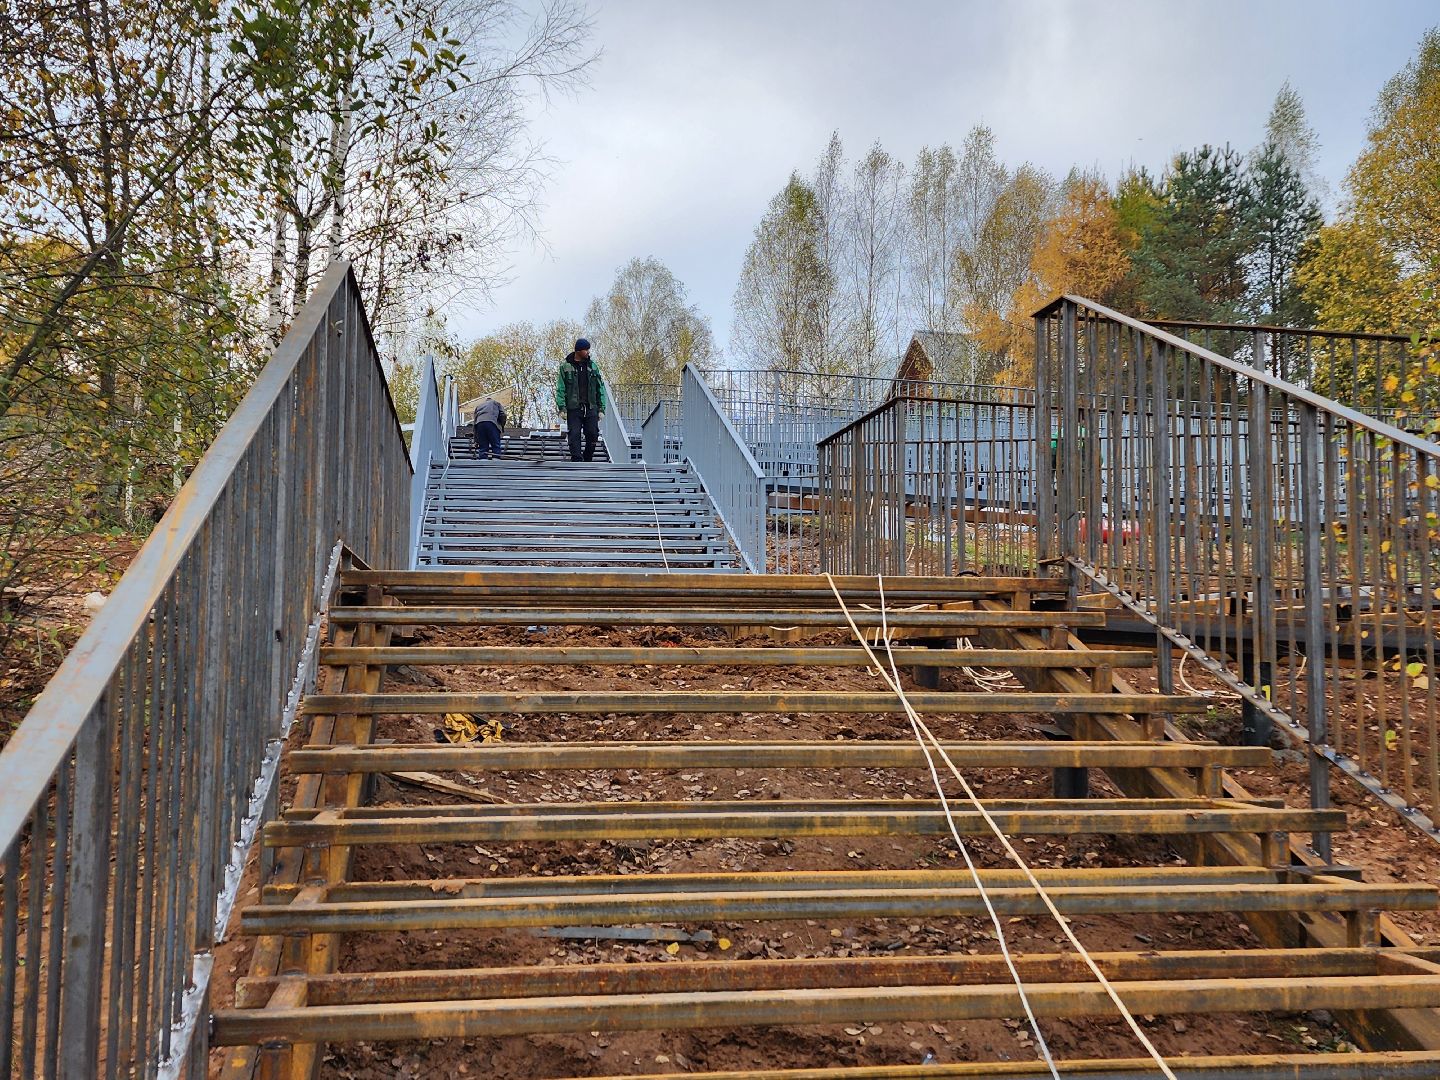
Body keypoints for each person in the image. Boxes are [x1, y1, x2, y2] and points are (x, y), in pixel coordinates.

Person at [554, 337, 607, 462]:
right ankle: (577, 459)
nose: (588, 352)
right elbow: (561, 388)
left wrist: (601, 408)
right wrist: (562, 407)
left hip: (591, 407)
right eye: (586, 350)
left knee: (593, 434)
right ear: (578, 351)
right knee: (574, 434)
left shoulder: (593, 366)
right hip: (574, 407)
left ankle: (588, 458)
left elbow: (600, 387)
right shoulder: (565, 367)